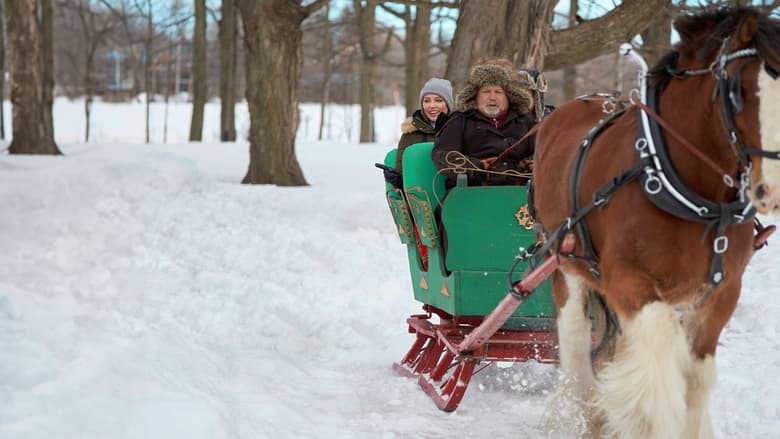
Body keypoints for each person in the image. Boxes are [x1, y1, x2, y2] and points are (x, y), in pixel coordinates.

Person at [432, 58, 537, 187]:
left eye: (498, 92)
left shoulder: (526, 120)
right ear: (476, 95)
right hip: (472, 192)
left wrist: (531, 163)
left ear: (509, 96)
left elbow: (542, 151)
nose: (492, 97)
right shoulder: (460, 120)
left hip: (519, 193)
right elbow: (442, 154)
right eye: (486, 91)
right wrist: (476, 167)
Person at [395, 77, 454, 175]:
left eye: (438, 100)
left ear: (448, 104)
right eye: (426, 101)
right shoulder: (411, 134)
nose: (431, 105)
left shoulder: (460, 130)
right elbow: (401, 170)